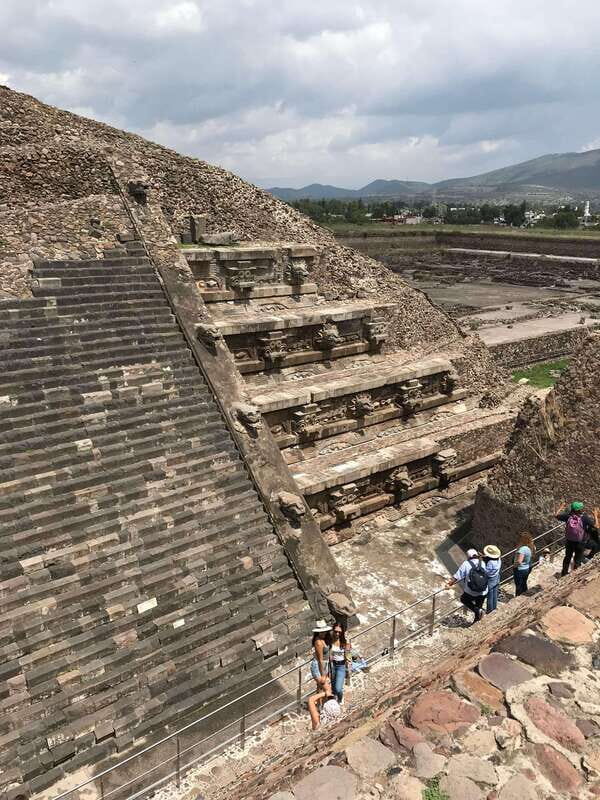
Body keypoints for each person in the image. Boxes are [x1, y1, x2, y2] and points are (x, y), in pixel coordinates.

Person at [447, 548, 488, 623]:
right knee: (479, 605)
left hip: (471, 591)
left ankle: (478, 611)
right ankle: (477, 620)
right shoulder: (482, 563)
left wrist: (449, 584)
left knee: (463, 599)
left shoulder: (466, 564)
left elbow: (457, 576)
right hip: (483, 590)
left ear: (468, 556)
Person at [556, 501, 598, 576]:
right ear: (579, 509)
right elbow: (596, 526)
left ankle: (564, 573)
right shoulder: (584, 518)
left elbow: (556, 515)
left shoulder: (568, 516)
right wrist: (595, 515)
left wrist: (561, 507)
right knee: (577, 559)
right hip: (580, 542)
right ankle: (575, 574)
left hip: (569, 541)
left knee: (567, 558)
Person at [330, 622, 351, 703]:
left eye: (339, 632)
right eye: (336, 631)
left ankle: (340, 699)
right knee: (333, 686)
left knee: (338, 688)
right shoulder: (331, 639)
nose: (337, 633)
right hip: (332, 665)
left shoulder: (345, 641)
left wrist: (348, 670)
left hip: (341, 666)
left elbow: (348, 656)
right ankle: (334, 700)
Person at [310, 620, 332, 686]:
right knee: (326, 688)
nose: (323, 633)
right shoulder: (318, 642)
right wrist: (323, 675)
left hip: (325, 664)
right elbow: (320, 660)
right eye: (321, 632)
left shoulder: (325, 638)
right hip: (318, 666)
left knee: (321, 688)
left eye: (324, 631)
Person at [483, 545, 502, 613]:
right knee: (495, 593)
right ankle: (494, 607)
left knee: (490, 596)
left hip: (490, 579)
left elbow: (486, 572)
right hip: (496, 577)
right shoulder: (498, 559)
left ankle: (490, 610)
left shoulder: (491, 562)